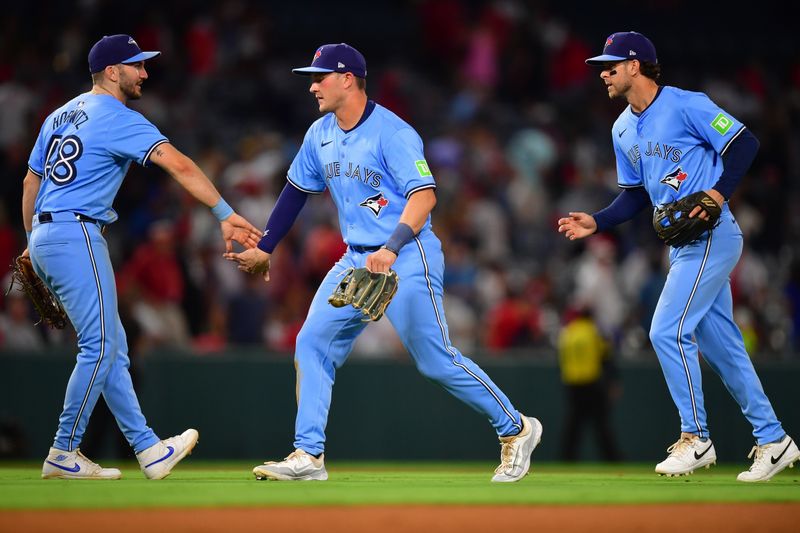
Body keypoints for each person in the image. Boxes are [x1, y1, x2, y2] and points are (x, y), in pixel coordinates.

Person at [225, 43, 542, 482]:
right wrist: (267, 246)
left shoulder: (392, 132)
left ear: (348, 79)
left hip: (407, 253)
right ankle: (308, 455)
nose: (312, 86)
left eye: (320, 77)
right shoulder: (319, 133)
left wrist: (392, 247)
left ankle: (517, 428)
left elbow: (425, 196)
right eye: (311, 79)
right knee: (311, 342)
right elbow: (297, 190)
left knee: (434, 360)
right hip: (356, 257)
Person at [557, 31, 798, 481]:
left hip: (713, 236)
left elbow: (744, 143)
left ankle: (696, 437)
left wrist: (718, 193)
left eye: (610, 65)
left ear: (635, 65)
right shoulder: (622, 128)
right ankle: (774, 439)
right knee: (723, 348)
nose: (603, 73)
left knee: (666, 330)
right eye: (601, 67)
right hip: (682, 248)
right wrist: (597, 220)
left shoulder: (687, 104)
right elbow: (633, 196)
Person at [23, 34, 262, 479]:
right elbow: (180, 165)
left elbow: (30, 184)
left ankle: (148, 450)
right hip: (77, 233)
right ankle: (63, 449)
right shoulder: (117, 116)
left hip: (46, 232)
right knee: (99, 348)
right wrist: (225, 213)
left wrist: (34, 242)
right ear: (113, 72)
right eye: (137, 65)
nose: (145, 73)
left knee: (112, 348)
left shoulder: (58, 114)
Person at [557, 307, 621, 462]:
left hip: (572, 384)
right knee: (600, 424)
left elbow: (561, 359)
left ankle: (567, 457)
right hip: (591, 383)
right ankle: (611, 458)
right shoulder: (594, 332)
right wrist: (613, 381)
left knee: (574, 424)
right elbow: (606, 356)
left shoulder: (568, 332)